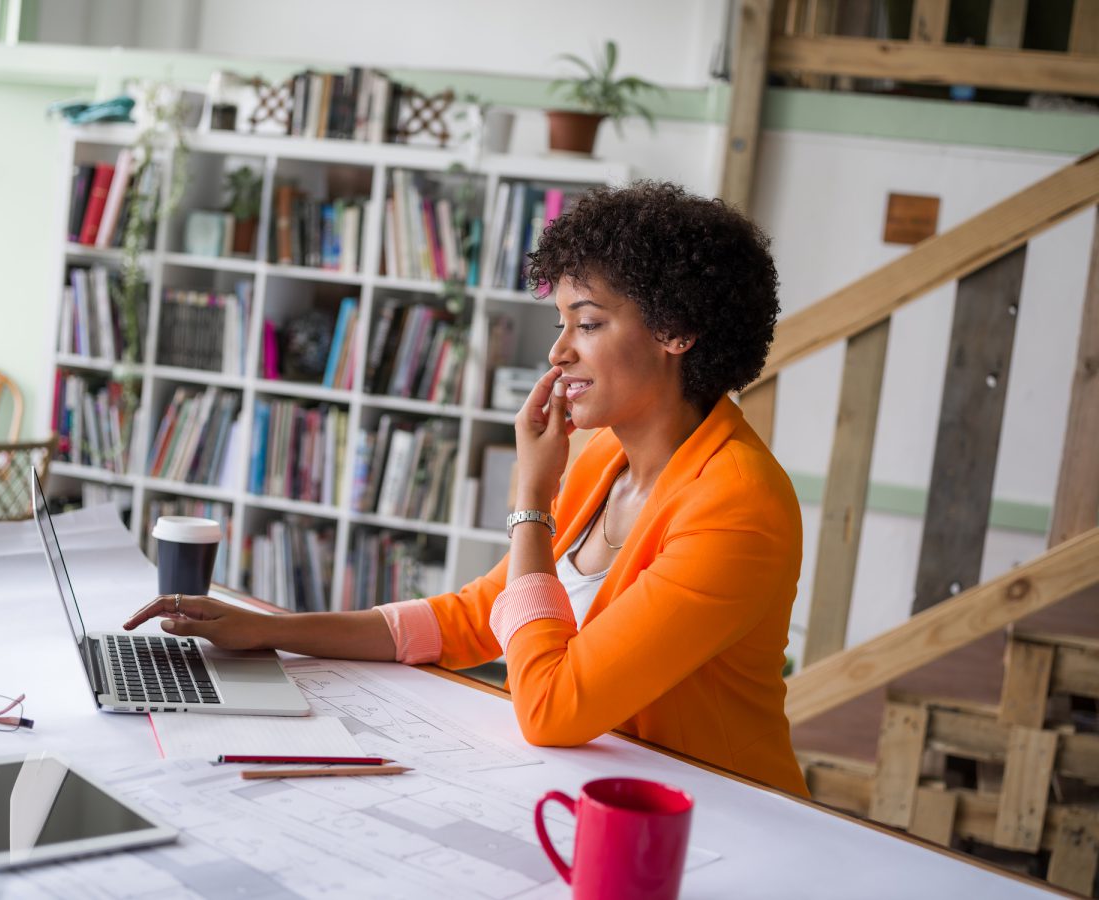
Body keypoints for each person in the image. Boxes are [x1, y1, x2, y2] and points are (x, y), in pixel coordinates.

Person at [124, 181, 807, 797]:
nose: (558, 352)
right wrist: (272, 632)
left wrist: (531, 503)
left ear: (676, 331)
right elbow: (475, 615)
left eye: (589, 323)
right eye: (560, 322)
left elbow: (551, 706)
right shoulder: (605, 456)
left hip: (718, 819)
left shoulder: (737, 505)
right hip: (595, 790)